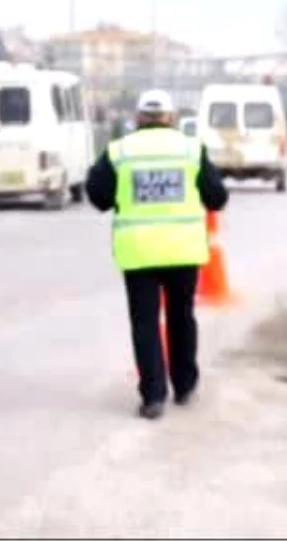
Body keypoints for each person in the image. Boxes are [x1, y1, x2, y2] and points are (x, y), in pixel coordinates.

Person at [86, 89, 228, 420]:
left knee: (145, 323)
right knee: (181, 318)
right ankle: (185, 386)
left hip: (138, 253)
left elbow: (97, 195)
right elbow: (217, 197)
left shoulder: (120, 152)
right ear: (171, 118)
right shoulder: (191, 150)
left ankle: (153, 396)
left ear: (138, 118)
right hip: (182, 251)